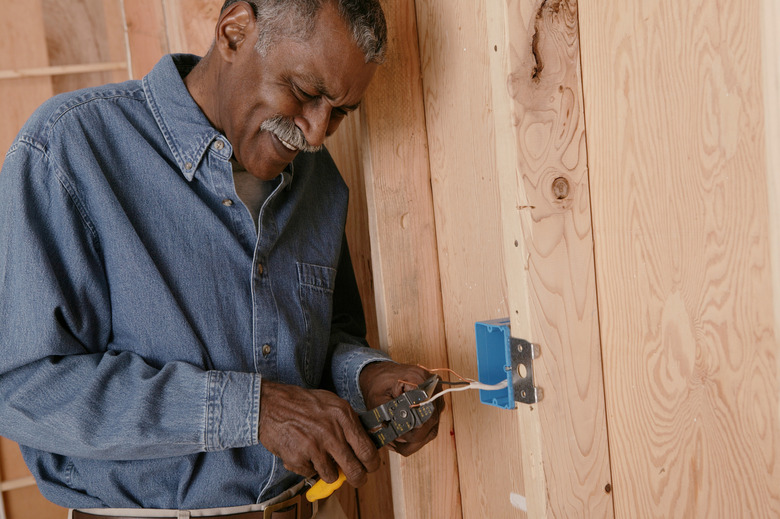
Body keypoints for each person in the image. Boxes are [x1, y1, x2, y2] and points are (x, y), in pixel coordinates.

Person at [0, 1, 442, 517]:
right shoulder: (70, 148)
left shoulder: (318, 181)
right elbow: (23, 386)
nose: (317, 133)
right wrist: (252, 410)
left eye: (339, 113)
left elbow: (316, 341)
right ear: (234, 32)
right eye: (304, 92)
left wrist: (365, 379)